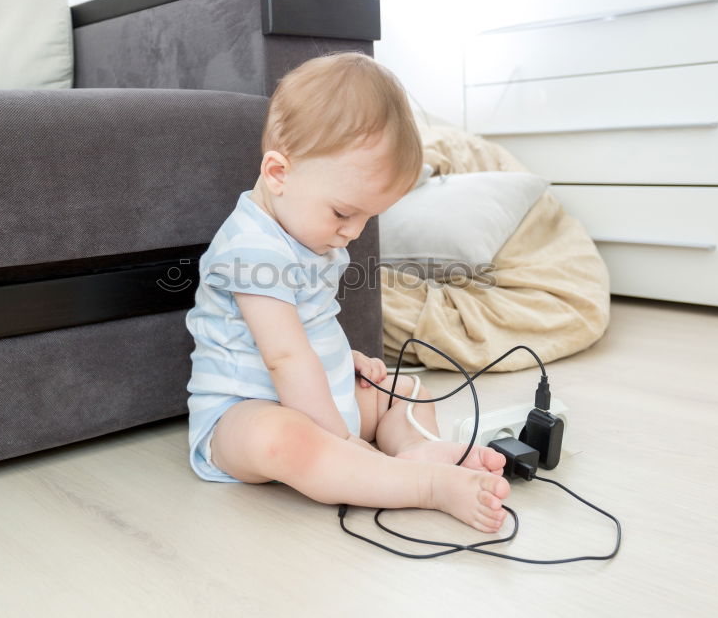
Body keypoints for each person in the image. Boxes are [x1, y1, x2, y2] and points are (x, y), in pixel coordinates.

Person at [184, 52, 510, 533]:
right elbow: (284, 358)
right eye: (342, 213)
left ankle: (411, 453)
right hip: (244, 416)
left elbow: (310, 327)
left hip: (319, 397)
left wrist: (344, 359)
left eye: (365, 218)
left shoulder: (309, 232)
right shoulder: (251, 248)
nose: (353, 233)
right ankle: (421, 485)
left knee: (408, 390)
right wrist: (340, 438)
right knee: (286, 440)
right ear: (278, 174)